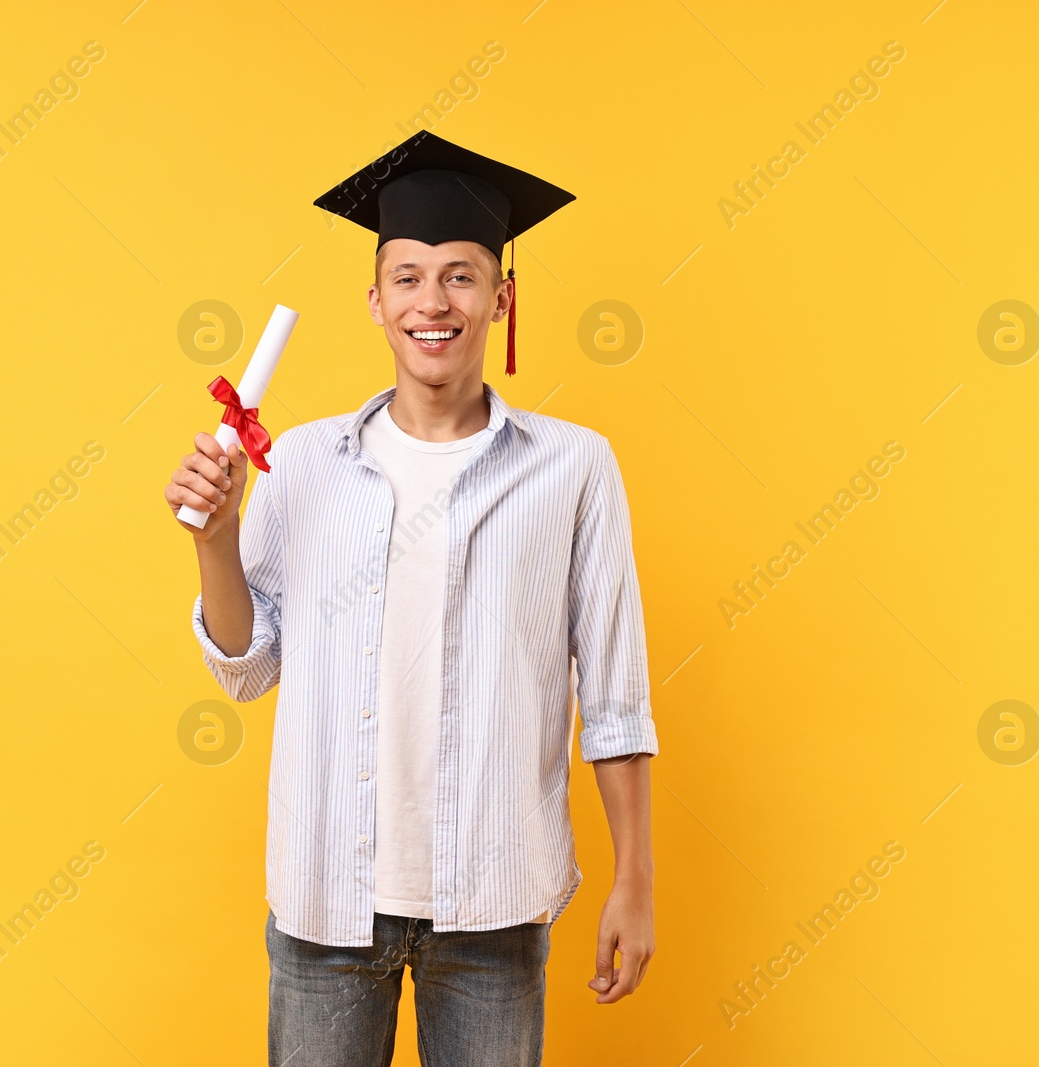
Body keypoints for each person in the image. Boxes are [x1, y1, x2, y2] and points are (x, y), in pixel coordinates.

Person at [163, 131, 658, 1067]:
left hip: (495, 905)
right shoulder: (303, 463)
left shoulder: (571, 468)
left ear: (502, 297)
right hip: (326, 905)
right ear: (377, 301)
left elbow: (619, 694)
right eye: (409, 277)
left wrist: (635, 878)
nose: (434, 302)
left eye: (462, 277)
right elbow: (247, 667)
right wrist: (216, 543)